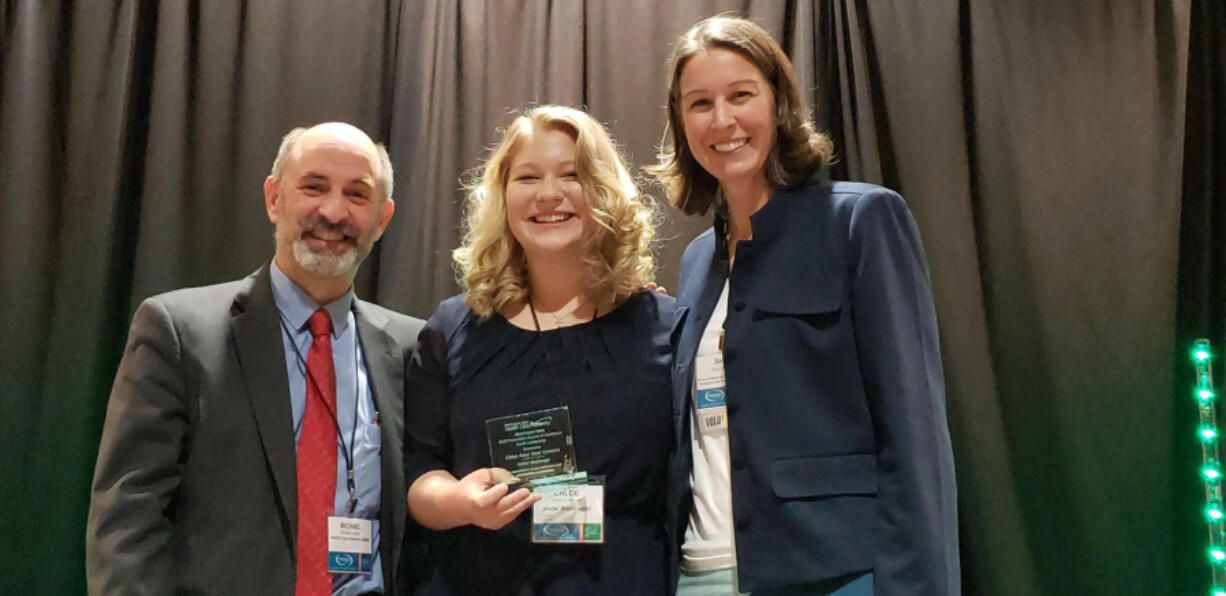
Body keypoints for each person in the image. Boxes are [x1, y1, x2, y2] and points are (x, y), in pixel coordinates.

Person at [651, 15, 960, 596]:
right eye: (699, 103)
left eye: (741, 95)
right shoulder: (697, 262)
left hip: (835, 573)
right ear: (680, 122)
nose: (722, 121)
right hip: (700, 575)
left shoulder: (860, 222)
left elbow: (913, 430)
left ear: (779, 102)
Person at [85, 122, 425, 595]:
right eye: (313, 186)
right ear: (273, 198)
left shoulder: (415, 349)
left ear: (382, 219)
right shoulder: (178, 331)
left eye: (357, 195)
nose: (332, 211)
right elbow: (128, 518)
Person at [404, 105, 677, 595]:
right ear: (503, 198)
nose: (549, 194)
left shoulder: (665, 327)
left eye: (571, 174)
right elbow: (419, 470)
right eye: (528, 177)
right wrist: (460, 502)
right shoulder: (451, 329)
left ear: (604, 192)